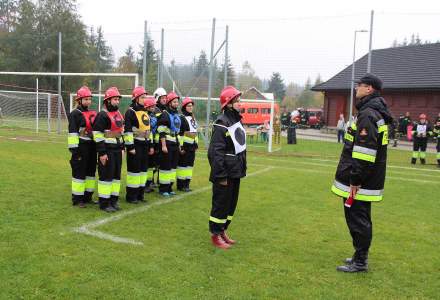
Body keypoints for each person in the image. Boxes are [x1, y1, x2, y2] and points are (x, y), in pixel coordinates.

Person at [331, 74, 392, 272]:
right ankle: (359, 255)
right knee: (360, 217)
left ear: (369, 89)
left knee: (358, 219)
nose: (356, 88)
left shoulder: (368, 114)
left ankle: (360, 262)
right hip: (365, 178)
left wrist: (355, 180)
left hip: (360, 180)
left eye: (360, 85)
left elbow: (364, 153)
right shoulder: (371, 111)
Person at [208, 86, 247, 250]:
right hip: (224, 174)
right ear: (229, 104)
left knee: (231, 204)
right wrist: (221, 176)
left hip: (235, 171)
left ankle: (223, 230)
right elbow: (215, 152)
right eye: (237, 101)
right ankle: (215, 235)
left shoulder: (236, 121)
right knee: (221, 204)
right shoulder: (222, 123)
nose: (240, 103)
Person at [93, 87, 124, 212]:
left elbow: (120, 133)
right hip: (107, 151)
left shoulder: (118, 114)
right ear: (107, 101)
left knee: (116, 177)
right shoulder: (102, 115)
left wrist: (122, 148)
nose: (117, 102)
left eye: (118, 99)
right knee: (106, 177)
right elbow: (97, 134)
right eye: (115, 99)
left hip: (117, 150)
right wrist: (102, 153)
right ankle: (104, 203)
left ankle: (113, 201)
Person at [67, 86, 97, 208]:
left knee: (90, 172)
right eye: (86, 99)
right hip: (81, 148)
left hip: (92, 147)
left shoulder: (92, 113)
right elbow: (73, 133)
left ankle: (88, 197)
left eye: (89, 99)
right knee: (79, 173)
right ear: (79, 100)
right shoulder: (75, 114)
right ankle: (77, 199)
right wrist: (75, 150)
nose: (88, 102)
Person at [124, 86, 152, 204]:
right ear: (136, 98)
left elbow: (148, 129)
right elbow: (128, 131)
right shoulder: (130, 112)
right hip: (135, 146)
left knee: (143, 171)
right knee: (134, 172)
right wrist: (130, 147)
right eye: (142, 97)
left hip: (144, 145)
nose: (144, 99)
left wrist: (150, 144)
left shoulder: (144, 111)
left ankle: (140, 195)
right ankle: (131, 196)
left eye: (145, 97)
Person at [156, 91, 181, 196]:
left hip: (174, 143)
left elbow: (177, 132)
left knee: (173, 167)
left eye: (177, 102)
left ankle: (170, 187)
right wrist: (163, 145)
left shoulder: (176, 115)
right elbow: (161, 130)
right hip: (167, 143)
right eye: (174, 102)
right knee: (165, 167)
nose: (176, 104)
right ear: (169, 103)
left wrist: (179, 144)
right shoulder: (165, 114)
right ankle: (163, 189)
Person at [177, 97, 199, 192]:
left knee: (190, 166)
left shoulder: (193, 118)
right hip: (185, 147)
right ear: (184, 107)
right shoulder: (182, 118)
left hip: (192, 147)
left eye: (191, 106)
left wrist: (196, 144)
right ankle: (181, 185)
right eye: (188, 106)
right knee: (183, 166)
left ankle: (187, 184)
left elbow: (195, 132)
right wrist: (181, 146)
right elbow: (180, 134)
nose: (190, 108)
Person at [145, 95, 158, 192]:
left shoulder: (153, 116)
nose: (154, 108)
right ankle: (145, 184)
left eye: (154, 106)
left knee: (151, 166)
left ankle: (149, 183)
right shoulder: (146, 117)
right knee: (146, 165)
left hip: (152, 140)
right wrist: (151, 145)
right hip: (147, 142)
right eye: (152, 107)